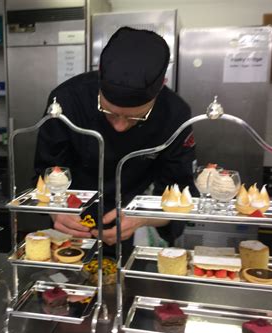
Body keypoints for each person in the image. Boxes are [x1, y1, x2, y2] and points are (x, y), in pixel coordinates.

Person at [34, 27, 196, 259]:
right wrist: (55, 212)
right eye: (108, 113)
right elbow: (46, 173)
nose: (119, 126)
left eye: (134, 117)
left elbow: (180, 192)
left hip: (134, 224)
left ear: (161, 86)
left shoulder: (175, 114)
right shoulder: (67, 100)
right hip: (70, 225)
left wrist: (143, 218)